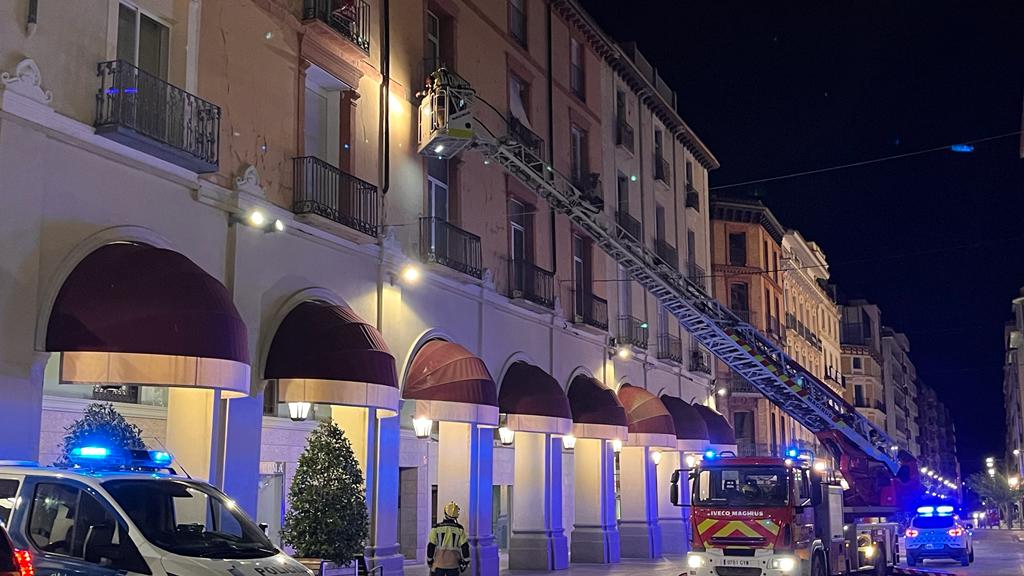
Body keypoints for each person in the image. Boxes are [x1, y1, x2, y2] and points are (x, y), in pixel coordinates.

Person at [427, 501, 470, 575]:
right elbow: (465, 547)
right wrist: (466, 561)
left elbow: (431, 546)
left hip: (438, 564)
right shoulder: (459, 529)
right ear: (456, 515)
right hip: (453, 565)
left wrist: (429, 560)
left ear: (445, 513)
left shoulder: (436, 528)